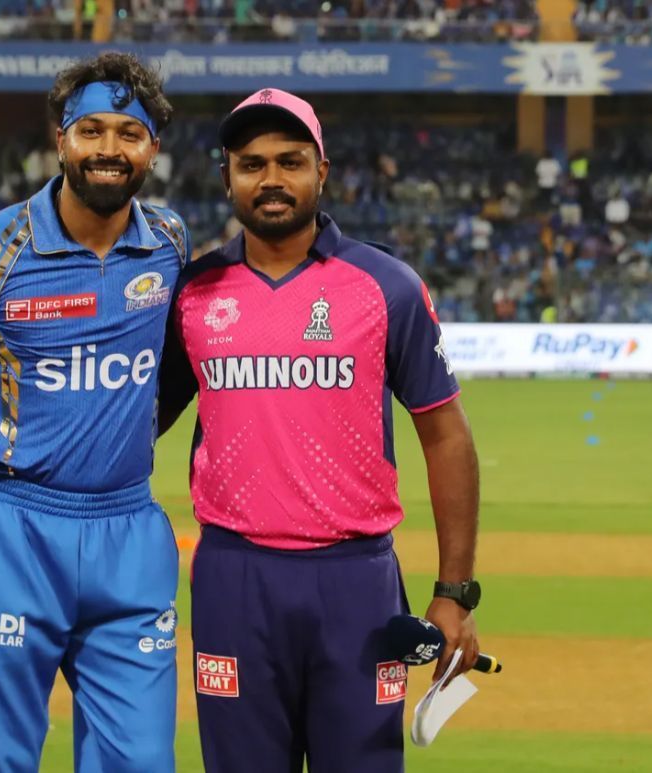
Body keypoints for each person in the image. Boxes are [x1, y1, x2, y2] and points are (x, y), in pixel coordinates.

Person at [158, 89, 482, 773]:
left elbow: (446, 436)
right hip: (234, 578)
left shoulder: (385, 286)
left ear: (321, 171)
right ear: (227, 178)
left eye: (290, 161)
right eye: (251, 164)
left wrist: (454, 593)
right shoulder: (193, 292)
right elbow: (139, 419)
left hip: (355, 582)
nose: (271, 179)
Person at [0, 52, 191, 773]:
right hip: (9, 534)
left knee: (142, 762)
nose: (109, 150)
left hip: (130, 531)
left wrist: (123, 428)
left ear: (152, 147)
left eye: (130, 133)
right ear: (60, 138)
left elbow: (180, 370)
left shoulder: (171, 243)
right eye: (91, 130)